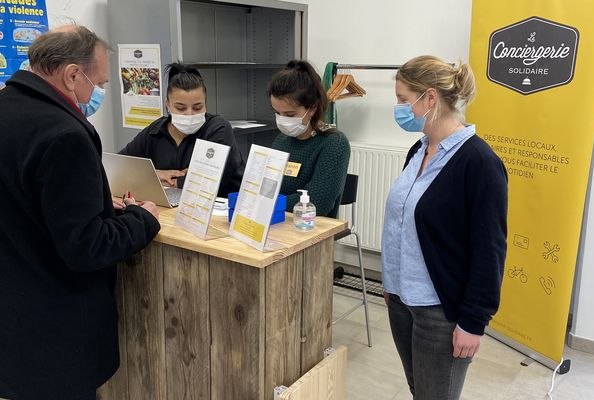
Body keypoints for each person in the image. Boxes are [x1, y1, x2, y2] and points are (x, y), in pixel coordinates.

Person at [0, 26, 161, 400]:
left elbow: (24, 198)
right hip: (54, 330)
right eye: (100, 81)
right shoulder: (64, 133)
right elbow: (86, 247)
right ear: (73, 74)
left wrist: (97, 201)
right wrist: (144, 219)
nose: (99, 92)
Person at [381, 55, 508, 400]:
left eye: (403, 99)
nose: (398, 107)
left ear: (430, 98)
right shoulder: (418, 150)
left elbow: (490, 250)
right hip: (401, 301)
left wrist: (473, 322)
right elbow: (405, 222)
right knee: (419, 390)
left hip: (441, 311)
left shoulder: (479, 162)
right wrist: (391, 284)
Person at [119, 63, 245, 197]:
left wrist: (161, 181)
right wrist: (156, 174)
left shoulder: (217, 128)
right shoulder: (155, 131)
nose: (189, 114)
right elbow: (119, 167)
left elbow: (206, 182)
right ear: (168, 105)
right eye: (180, 108)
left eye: (197, 107)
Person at [268, 60, 350, 217]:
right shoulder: (281, 140)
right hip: (277, 223)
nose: (282, 119)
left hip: (310, 230)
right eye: (277, 113)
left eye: (290, 114)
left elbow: (318, 203)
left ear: (313, 108)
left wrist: (270, 202)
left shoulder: (334, 143)